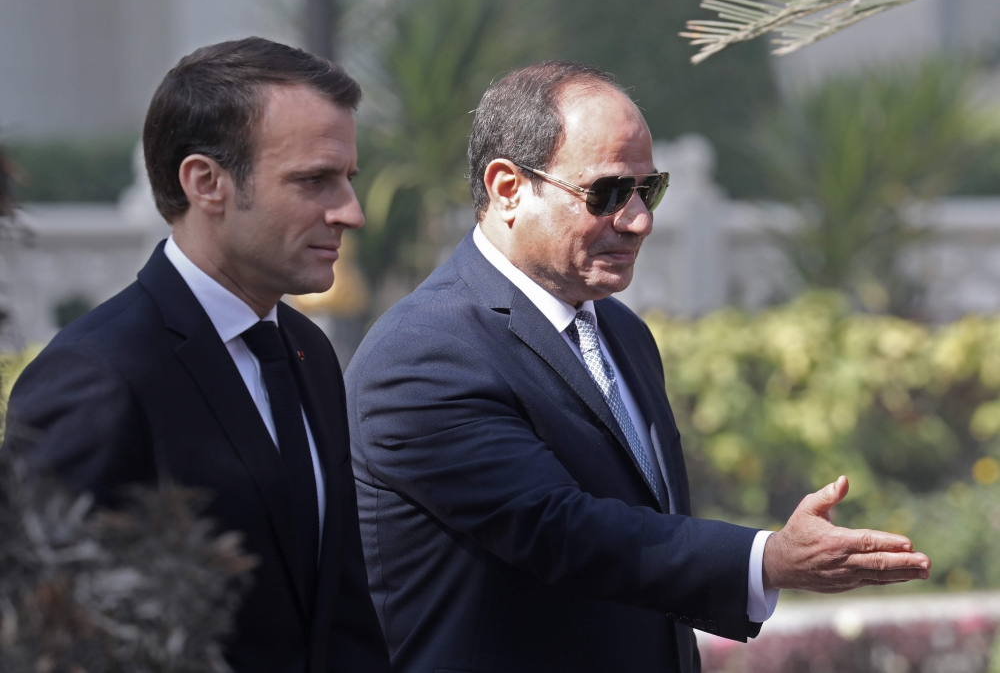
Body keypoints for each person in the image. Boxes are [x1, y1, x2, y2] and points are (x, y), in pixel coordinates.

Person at [345, 61, 931, 673]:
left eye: (648, 191)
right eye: (606, 194)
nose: (638, 221)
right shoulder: (424, 352)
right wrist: (765, 559)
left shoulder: (619, 331)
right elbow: (561, 531)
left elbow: (647, 535)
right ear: (508, 188)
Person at [5, 37, 390, 673]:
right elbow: (42, 633)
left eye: (347, 179)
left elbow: (338, 607)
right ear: (206, 182)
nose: (351, 212)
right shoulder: (99, 375)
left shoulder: (307, 350)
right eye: (314, 180)